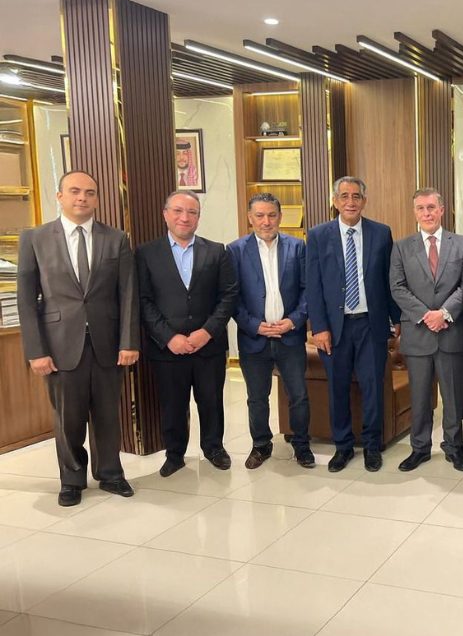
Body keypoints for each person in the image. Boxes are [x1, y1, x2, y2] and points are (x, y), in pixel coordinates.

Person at [16, 171, 139, 506]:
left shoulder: (116, 239)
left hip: (107, 344)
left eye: (89, 192)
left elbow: (128, 294)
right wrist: (36, 351)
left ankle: (111, 474)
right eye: (74, 191)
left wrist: (129, 341)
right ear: (59, 196)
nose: (82, 197)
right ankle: (71, 479)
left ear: (97, 199)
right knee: (67, 418)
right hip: (58, 346)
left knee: (108, 415)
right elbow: (26, 300)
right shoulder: (35, 239)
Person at [136, 190, 238, 477]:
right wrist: (169, 337)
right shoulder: (146, 253)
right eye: (178, 211)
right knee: (173, 404)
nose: (185, 217)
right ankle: (175, 454)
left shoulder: (216, 251)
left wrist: (207, 332)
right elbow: (143, 300)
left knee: (211, 401)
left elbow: (228, 296)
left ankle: (214, 448)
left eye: (192, 212)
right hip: (168, 348)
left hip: (209, 346)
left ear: (198, 217)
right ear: (165, 214)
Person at [306, 176, 399, 473]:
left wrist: (396, 319)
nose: (350, 202)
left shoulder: (381, 233)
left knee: (373, 387)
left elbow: (389, 280)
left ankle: (372, 446)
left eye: (356, 196)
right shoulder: (318, 235)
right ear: (335, 201)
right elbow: (313, 285)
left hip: (371, 324)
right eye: (344, 196)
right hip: (335, 328)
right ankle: (343, 446)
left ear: (364, 201)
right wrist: (319, 327)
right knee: (338, 388)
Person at [228, 193, 313, 470]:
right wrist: (254, 325)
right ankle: (261, 445)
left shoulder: (297, 247)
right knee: (256, 397)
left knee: (298, 395)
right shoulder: (235, 250)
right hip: (254, 338)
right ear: (250, 218)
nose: (266, 221)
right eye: (260, 215)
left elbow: (308, 290)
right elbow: (231, 297)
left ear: (280, 217)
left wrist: (294, 321)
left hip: (290, 336)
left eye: (272, 215)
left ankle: (302, 445)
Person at [389, 188, 463, 472]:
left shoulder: (462, 244)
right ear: (415, 212)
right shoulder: (401, 247)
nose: (427, 213)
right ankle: (420, 448)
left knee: (453, 397)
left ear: (442, 210)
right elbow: (397, 287)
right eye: (421, 208)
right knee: (420, 398)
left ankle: (454, 448)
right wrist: (426, 315)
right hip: (418, 334)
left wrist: (444, 313)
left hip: (451, 333)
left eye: (431, 207)